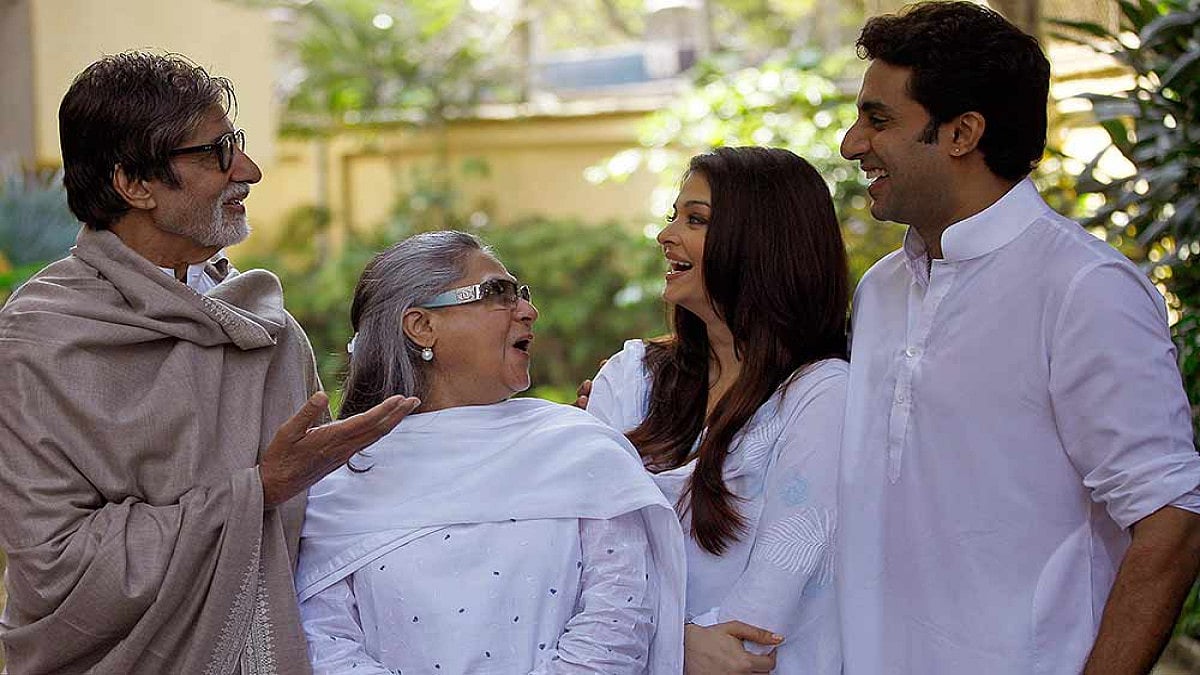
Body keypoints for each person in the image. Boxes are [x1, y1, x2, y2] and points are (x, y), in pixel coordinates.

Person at [0, 52, 417, 674]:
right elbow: (56, 565)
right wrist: (259, 490)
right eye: (216, 153)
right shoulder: (43, 340)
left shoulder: (265, 327)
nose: (248, 171)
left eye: (237, 144)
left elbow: (328, 538)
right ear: (135, 184)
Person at [837, 3, 1200, 673]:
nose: (852, 144)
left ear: (962, 133)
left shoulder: (1084, 289)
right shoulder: (881, 290)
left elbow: (1171, 516)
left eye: (878, 120)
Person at [294, 230, 687, 674]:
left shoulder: (581, 452)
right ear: (422, 326)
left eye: (521, 294)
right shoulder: (341, 484)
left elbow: (618, 619)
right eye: (498, 293)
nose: (529, 311)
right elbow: (324, 641)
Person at [585, 146, 849, 674]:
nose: (666, 236)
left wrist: (674, 648)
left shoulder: (821, 393)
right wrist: (675, 645)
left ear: (762, 242)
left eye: (696, 219)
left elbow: (767, 604)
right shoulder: (632, 375)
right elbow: (584, 555)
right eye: (674, 216)